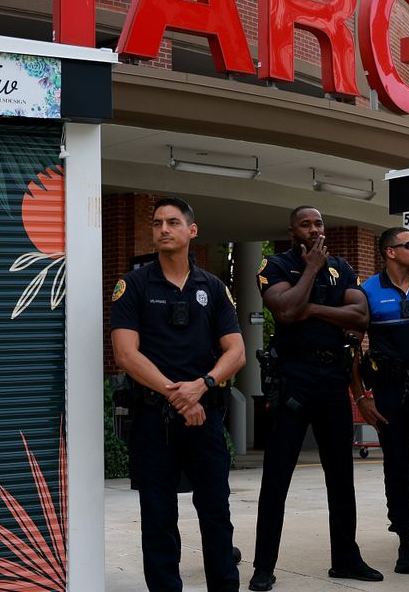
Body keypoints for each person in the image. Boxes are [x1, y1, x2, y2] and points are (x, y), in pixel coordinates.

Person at [110, 196, 246, 591]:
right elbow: (125, 353)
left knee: (216, 514)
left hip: (205, 417)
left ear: (192, 231)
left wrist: (201, 386)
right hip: (154, 420)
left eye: (172, 222)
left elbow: (235, 351)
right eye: (156, 223)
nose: (163, 229)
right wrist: (178, 396)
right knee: (157, 517)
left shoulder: (214, 288)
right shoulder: (133, 284)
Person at [248, 206, 382, 591]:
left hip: (332, 379)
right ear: (292, 230)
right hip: (294, 379)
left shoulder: (341, 267)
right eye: (305, 224)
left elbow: (360, 317)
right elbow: (286, 311)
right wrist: (310, 271)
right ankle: (264, 565)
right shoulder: (273, 265)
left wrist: (311, 309)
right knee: (277, 477)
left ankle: (345, 559)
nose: (314, 229)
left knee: (341, 475)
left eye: (319, 223)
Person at [349, 226, 409, 574]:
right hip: (389, 392)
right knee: (396, 470)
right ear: (390, 252)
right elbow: (351, 349)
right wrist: (362, 398)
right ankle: (405, 542)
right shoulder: (366, 292)